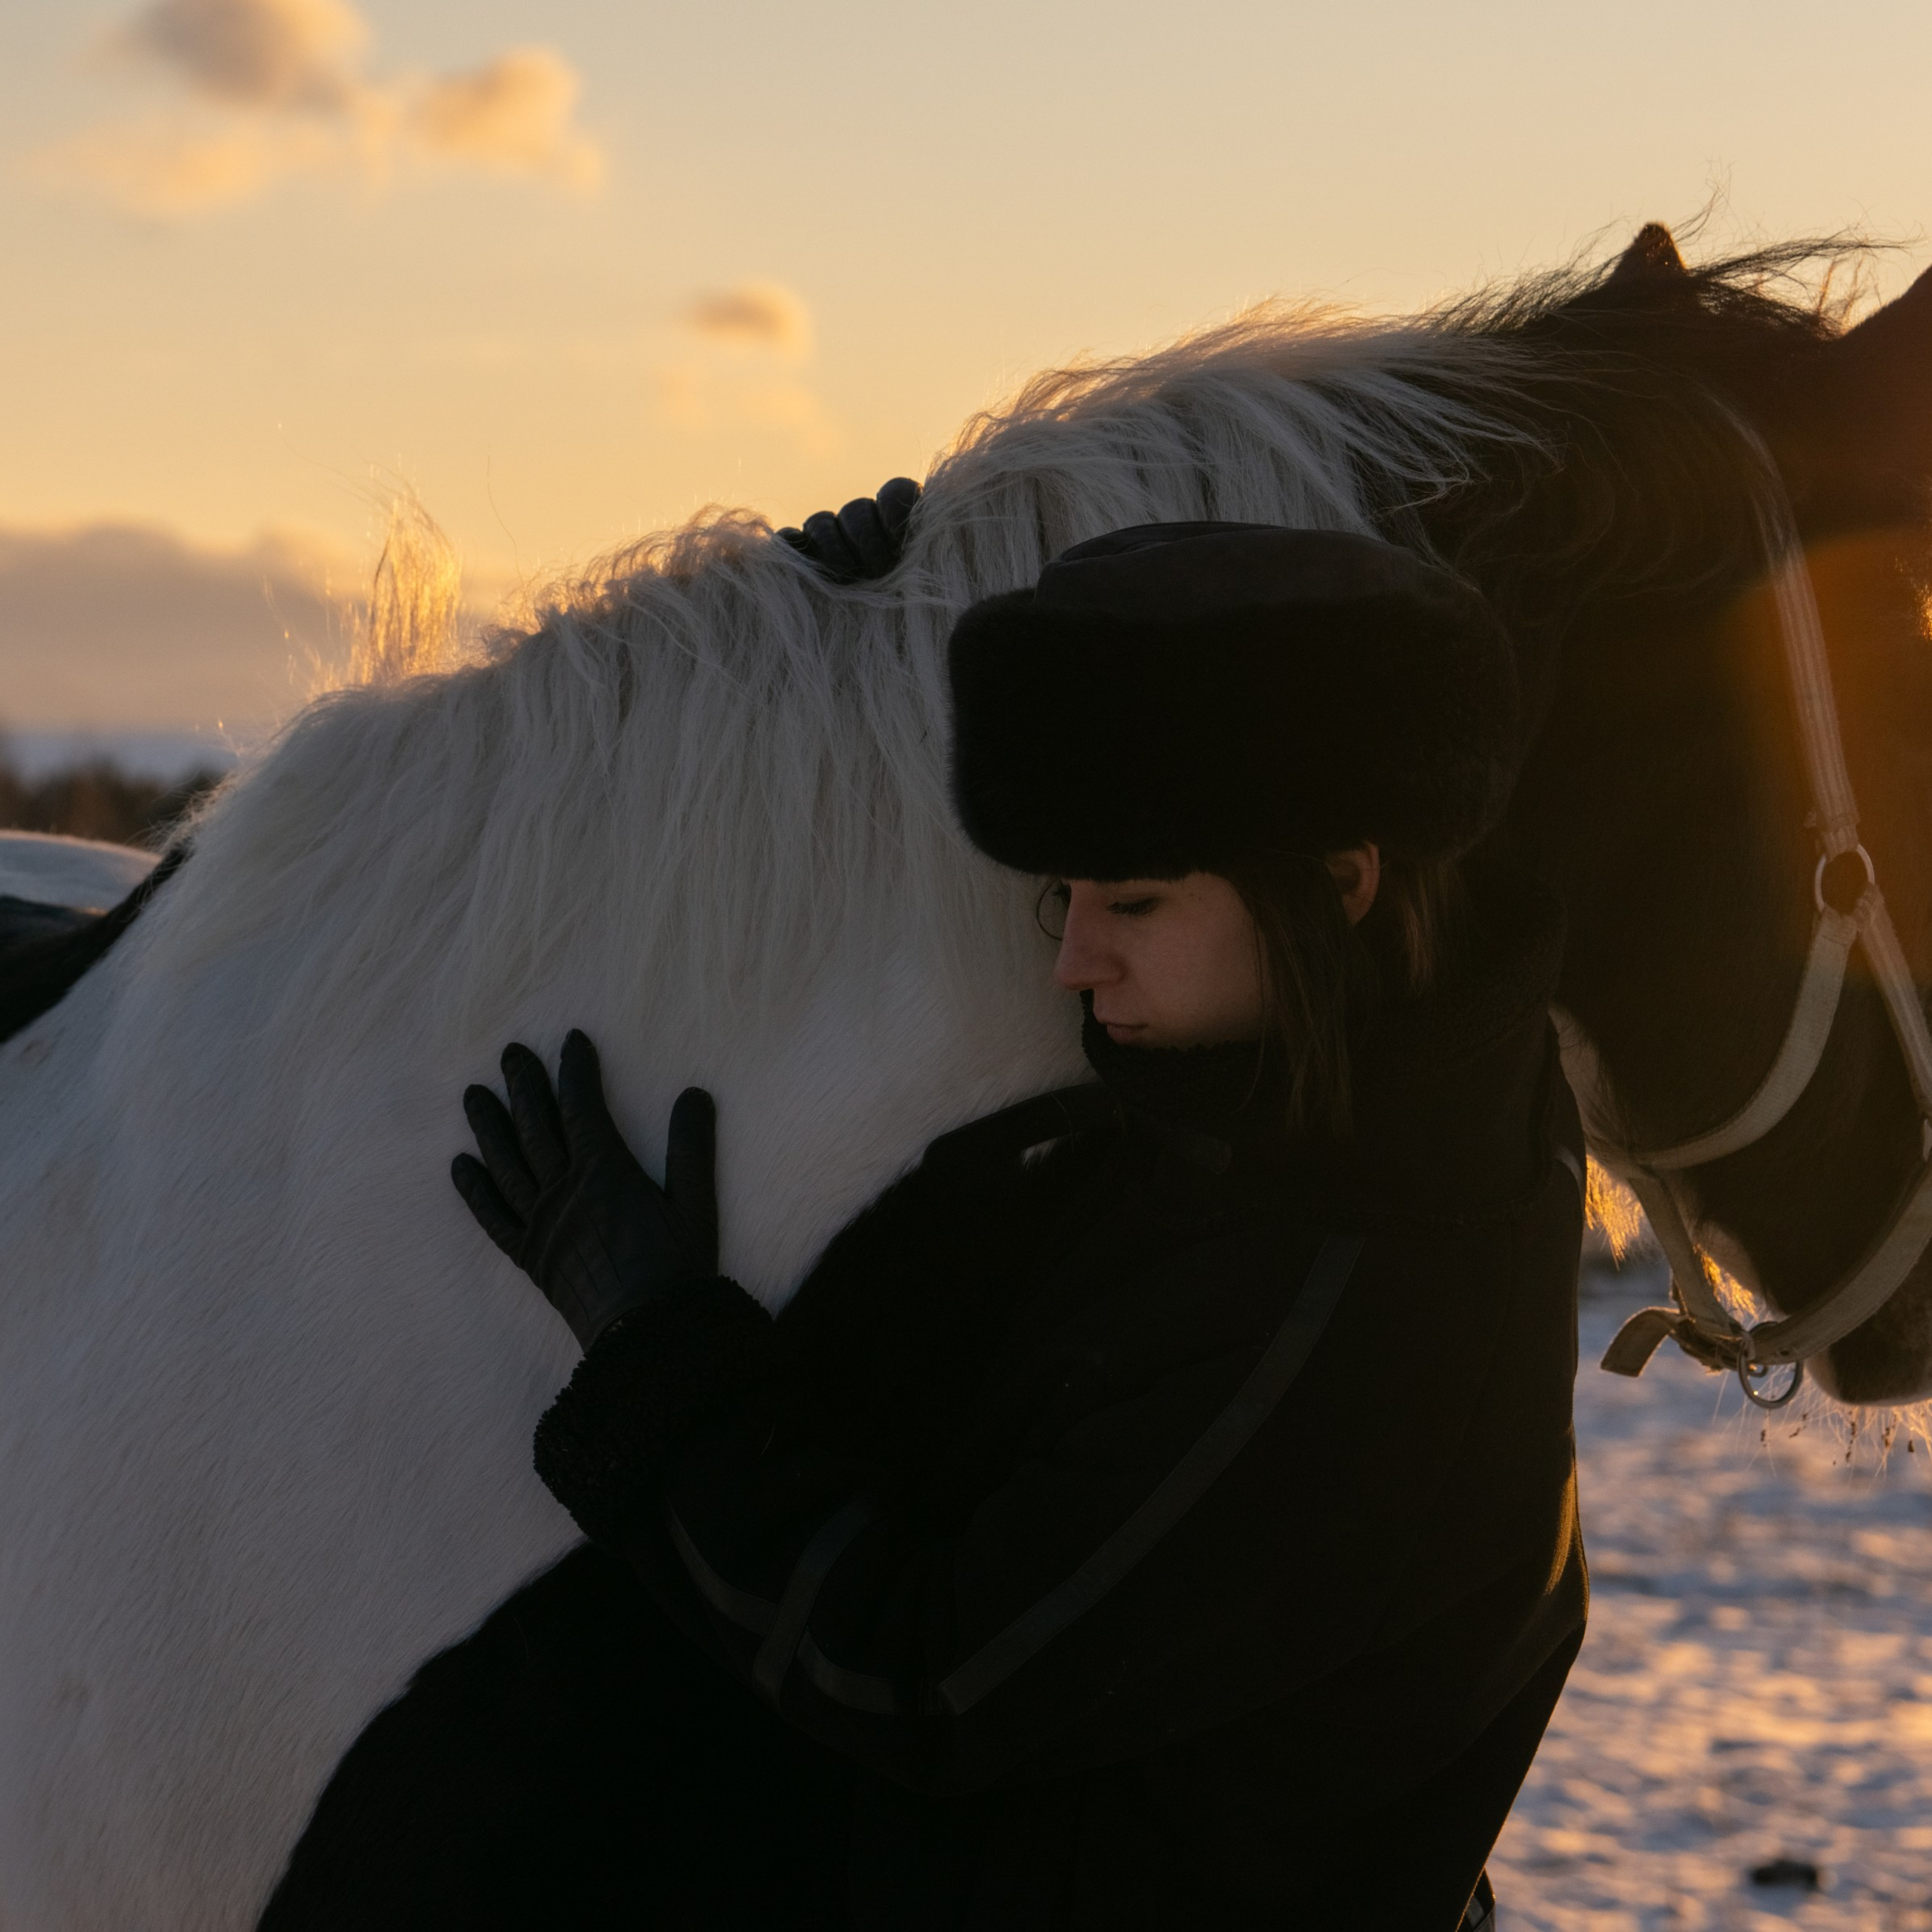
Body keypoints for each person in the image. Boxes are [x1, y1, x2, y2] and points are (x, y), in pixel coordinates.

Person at [447, 524, 1588, 1930]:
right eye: (1062, 894)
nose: (1072, 960)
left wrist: (653, 1352)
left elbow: (930, 1678)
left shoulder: (1351, 1296)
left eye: (1137, 901)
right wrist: (868, 629)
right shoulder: (1396, 1082)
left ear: (1342, 883)